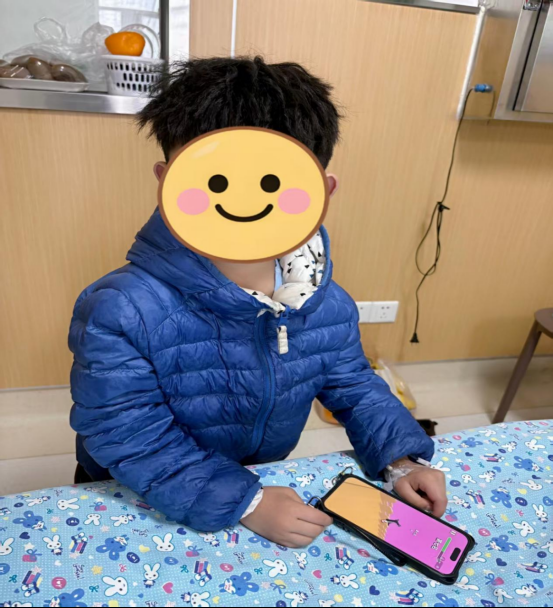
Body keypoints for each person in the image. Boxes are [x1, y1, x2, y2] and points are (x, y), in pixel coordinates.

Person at [69, 56, 446, 548]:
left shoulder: (326, 303)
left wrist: (400, 459)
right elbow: (126, 432)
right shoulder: (120, 308)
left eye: (270, 182)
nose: (244, 199)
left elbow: (354, 386)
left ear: (323, 192)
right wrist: (245, 501)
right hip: (136, 490)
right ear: (167, 183)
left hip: (258, 478)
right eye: (216, 181)